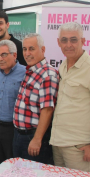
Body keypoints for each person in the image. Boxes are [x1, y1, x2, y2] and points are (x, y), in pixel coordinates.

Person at [50, 22, 90, 173]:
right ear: (58, 42)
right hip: (58, 143)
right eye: (64, 40)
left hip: (79, 149)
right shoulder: (63, 66)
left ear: (83, 41)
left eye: (74, 40)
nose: (68, 44)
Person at [13, 33, 59, 164]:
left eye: (31, 49)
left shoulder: (47, 75)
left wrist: (37, 139)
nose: (27, 53)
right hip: (19, 135)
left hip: (33, 137)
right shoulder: (31, 71)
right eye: (24, 49)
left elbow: (47, 110)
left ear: (43, 49)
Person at [0, 40, 25, 170]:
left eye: (4, 55)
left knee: (13, 168)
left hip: (14, 130)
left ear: (14, 55)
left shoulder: (25, 73)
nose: (0, 59)